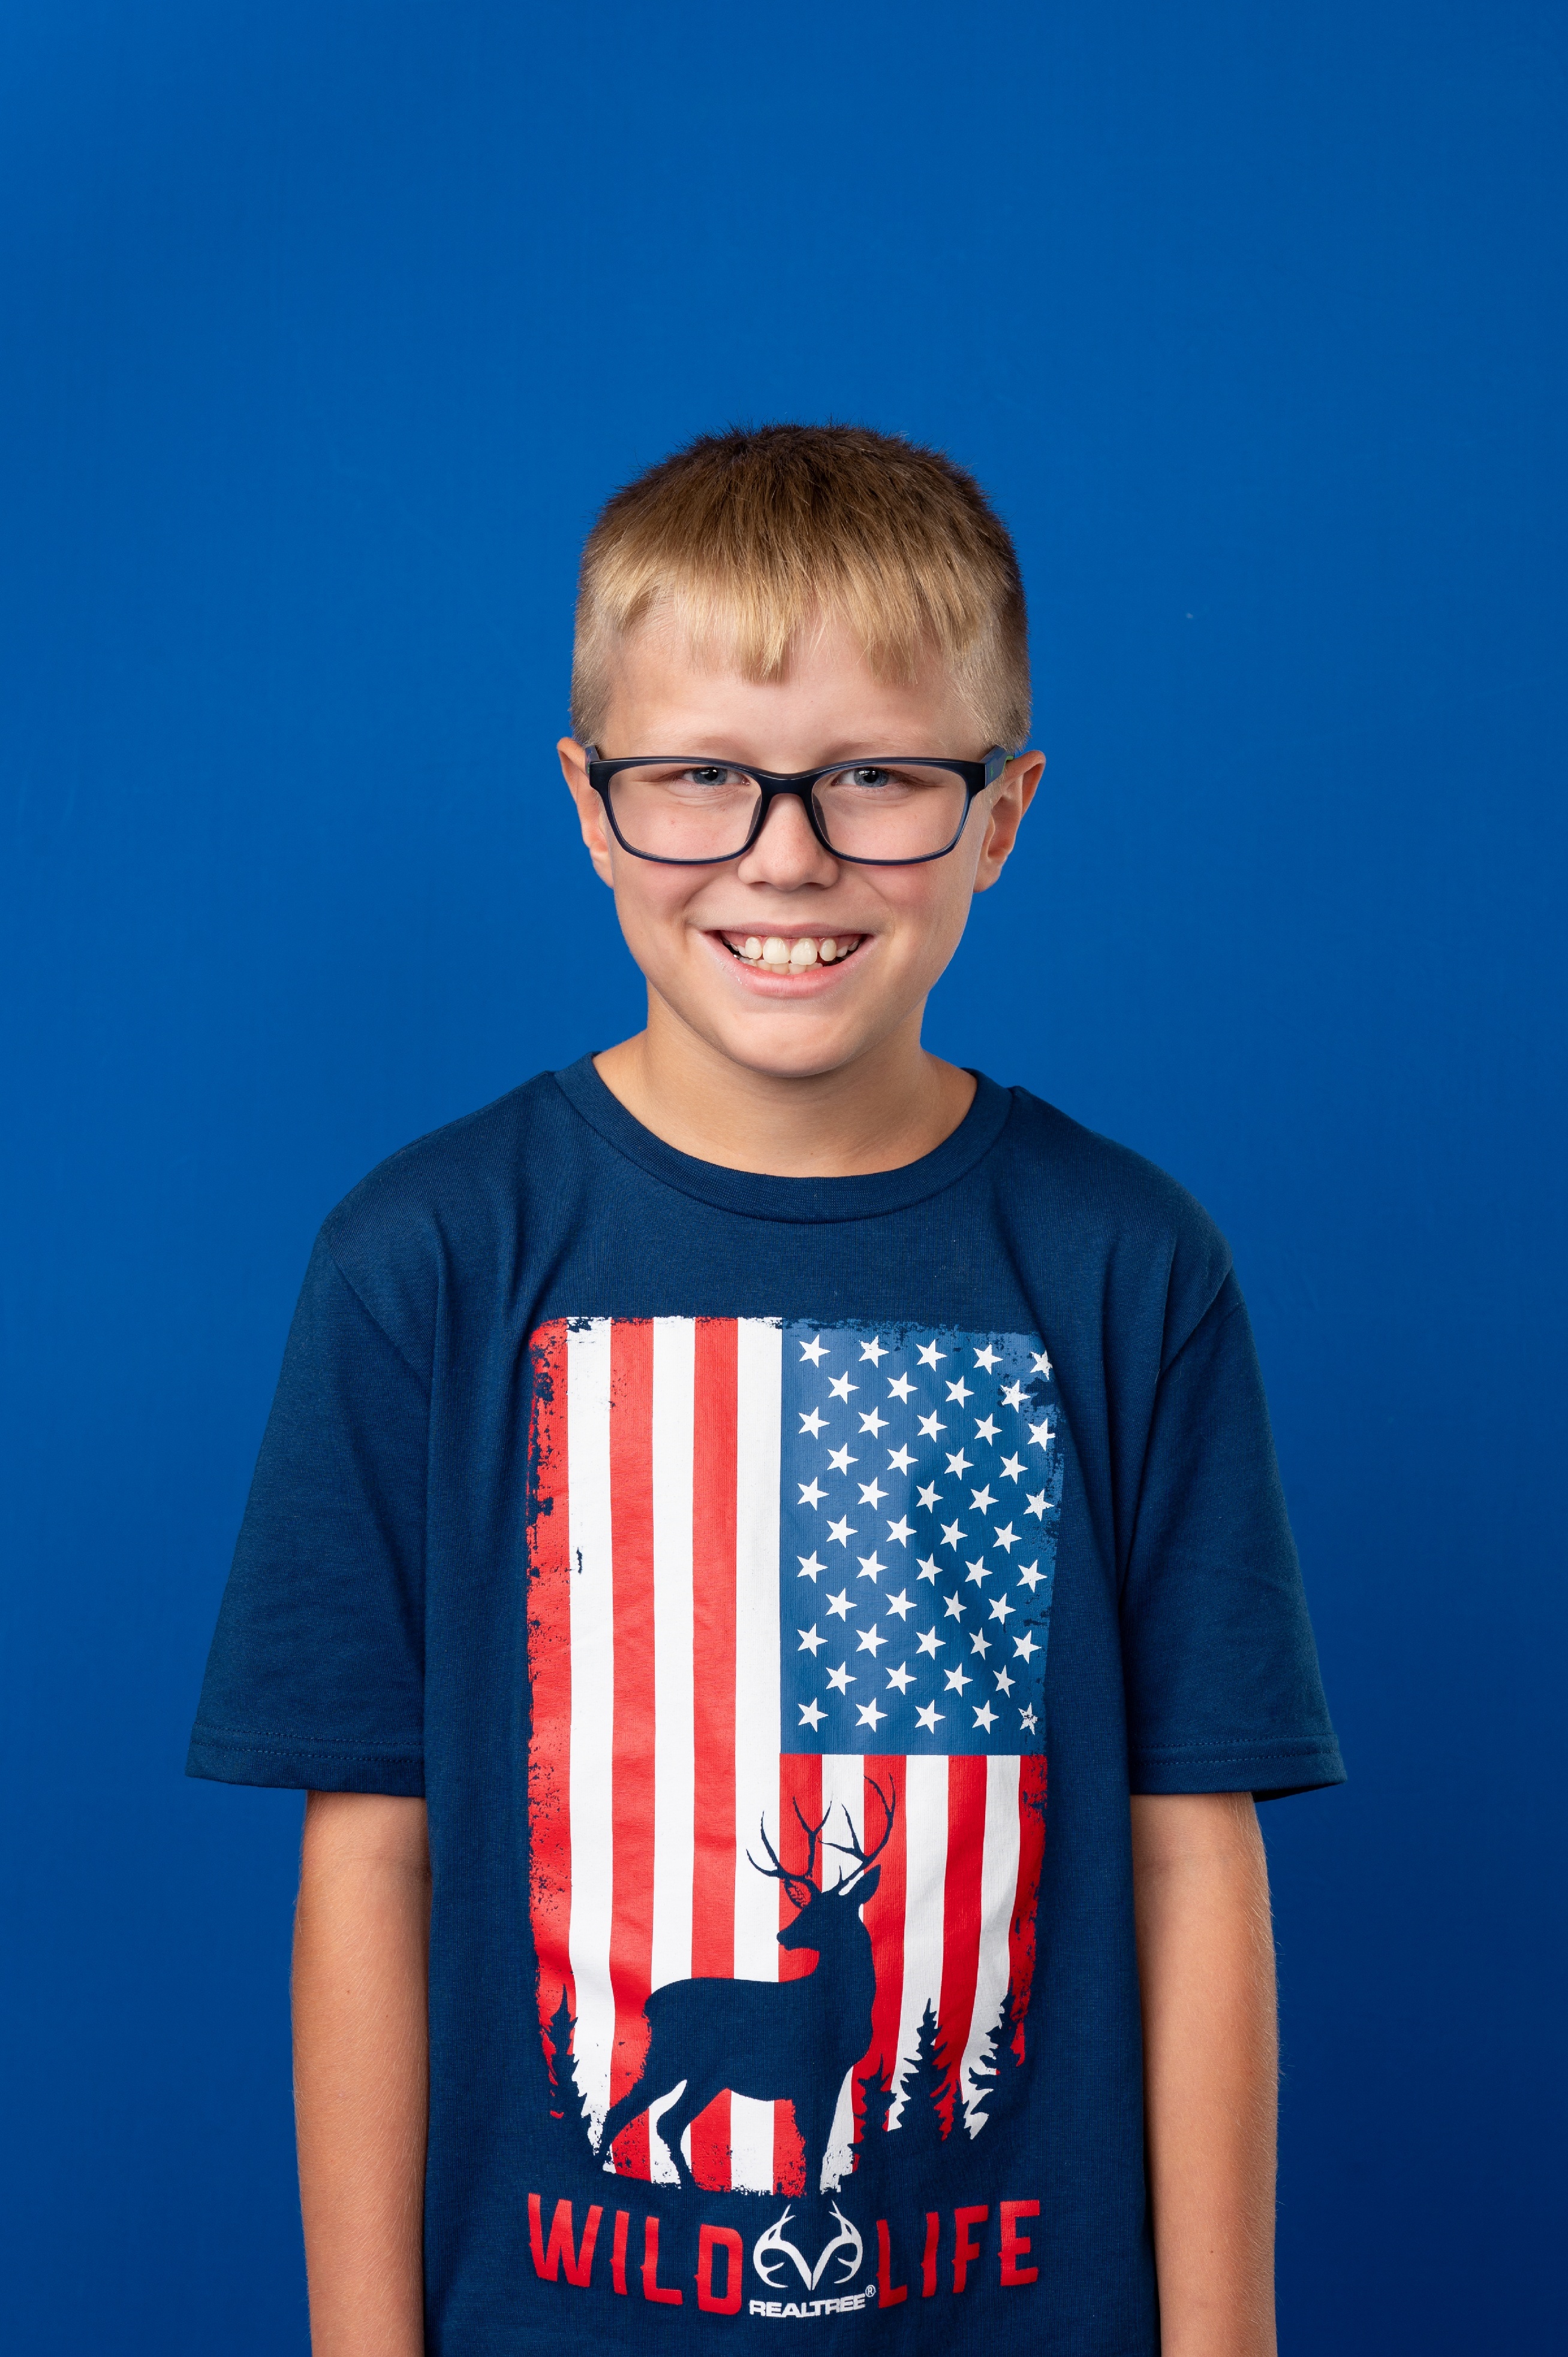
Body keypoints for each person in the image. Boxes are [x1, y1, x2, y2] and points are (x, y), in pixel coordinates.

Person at [188, 422, 1343, 2357]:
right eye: (701, 776)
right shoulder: (425, 1263)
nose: (786, 853)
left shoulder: (1130, 1267)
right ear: (590, 800)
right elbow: (371, 1859)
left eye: (879, 776)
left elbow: (1190, 1851)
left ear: (1001, 810)